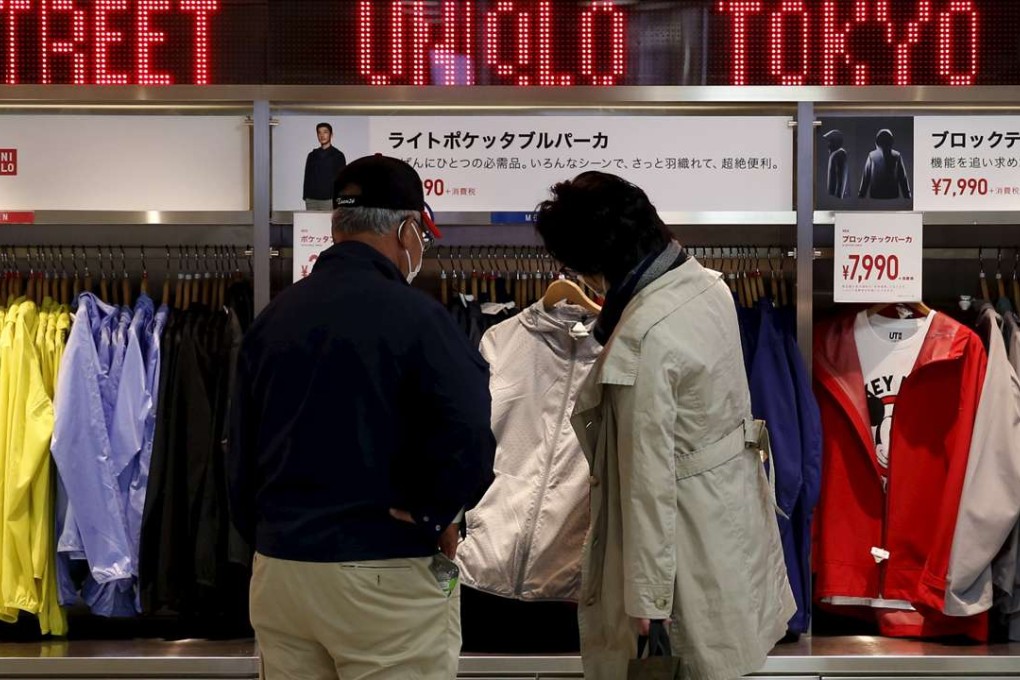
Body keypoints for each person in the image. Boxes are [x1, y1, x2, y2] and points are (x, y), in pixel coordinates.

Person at [228, 154, 496, 679]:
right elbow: (470, 432)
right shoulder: (421, 319)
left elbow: (238, 453)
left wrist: (272, 535)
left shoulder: (273, 320)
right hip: (381, 575)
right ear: (405, 230)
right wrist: (434, 512)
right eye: (422, 233)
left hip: (282, 574)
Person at [533, 172, 795, 680]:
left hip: (682, 566)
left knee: (683, 666)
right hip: (728, 538)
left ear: (594, 264)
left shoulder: (644, 339)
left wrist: (646, 603)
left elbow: (646, 482)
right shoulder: (706, 285)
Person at [303, 122, 347, 211]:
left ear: (331, 135)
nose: (322, 135)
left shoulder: (338, 155)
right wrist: (306, 196)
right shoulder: (312, 155)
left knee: (327, 224)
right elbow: (307, 177)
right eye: (319, 132)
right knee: (312, 224)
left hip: (329, 200)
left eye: (325, 132)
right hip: (312, 200)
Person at [858, 128, 912, 200]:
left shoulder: (872, 155)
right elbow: (902, 177)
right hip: (892, 195)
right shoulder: (896, 155)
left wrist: (861, 194)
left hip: (876, 195)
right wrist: (907, 195)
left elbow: (866, 177)